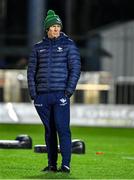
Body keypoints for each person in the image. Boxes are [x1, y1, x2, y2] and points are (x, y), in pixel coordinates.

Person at [27, 10, 81, 173]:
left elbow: (76, 69)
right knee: (50, 130)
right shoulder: (38, 47)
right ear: (47, 29)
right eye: (53, 26)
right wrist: (34, 94)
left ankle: (65, 165)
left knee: (62, 128)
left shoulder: (69, 45)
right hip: (42, 96)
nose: (56, 29)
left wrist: (68, 92)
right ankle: (51, 164)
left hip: (60, 95)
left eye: (58, 26)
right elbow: (31, 71)